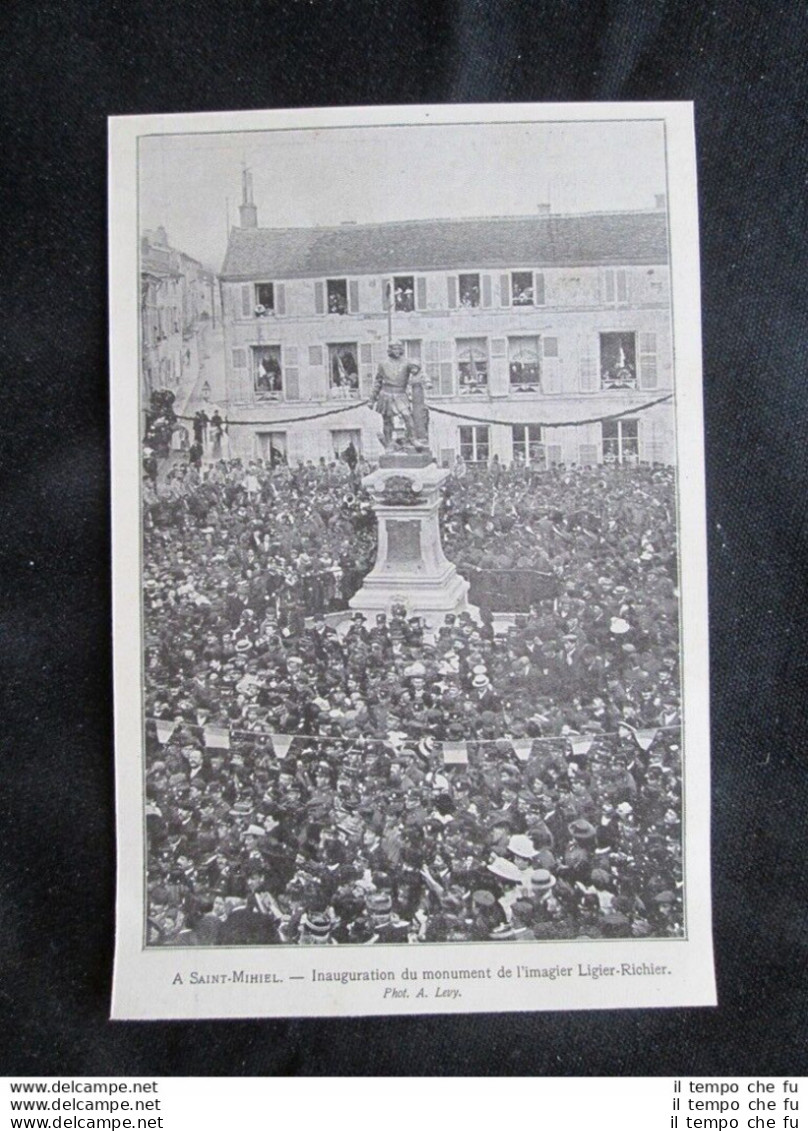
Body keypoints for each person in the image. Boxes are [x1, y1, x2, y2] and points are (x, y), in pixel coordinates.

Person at [371, 340, 428, 451]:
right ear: (389, 350)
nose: (396, 351)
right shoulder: (383, 364)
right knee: (387, 421)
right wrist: (372, 399)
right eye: (393, 348)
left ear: (401, 350)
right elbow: (378, 381)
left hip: (400, 393)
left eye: (398, 348)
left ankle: (413, 438)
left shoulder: (407, 363)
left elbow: (417, 371)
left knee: (407, 416)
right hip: (386, 393)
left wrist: (423, 378)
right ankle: (388, 443)